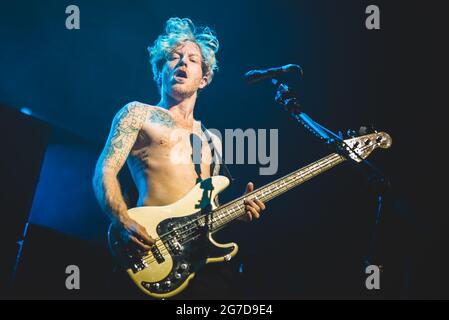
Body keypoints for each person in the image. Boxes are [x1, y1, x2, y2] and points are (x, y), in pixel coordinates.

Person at [93, 17, 266, 299]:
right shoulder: (138, 113)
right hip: (149, 250)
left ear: (205, 78)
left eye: (192, 59)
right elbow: (104, 171)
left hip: (200, 266)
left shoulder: (212, 141)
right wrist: (122, 220)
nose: (182, 63)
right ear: (161, 70)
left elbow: (209, 208)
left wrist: (238, 214)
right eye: (173, 58)